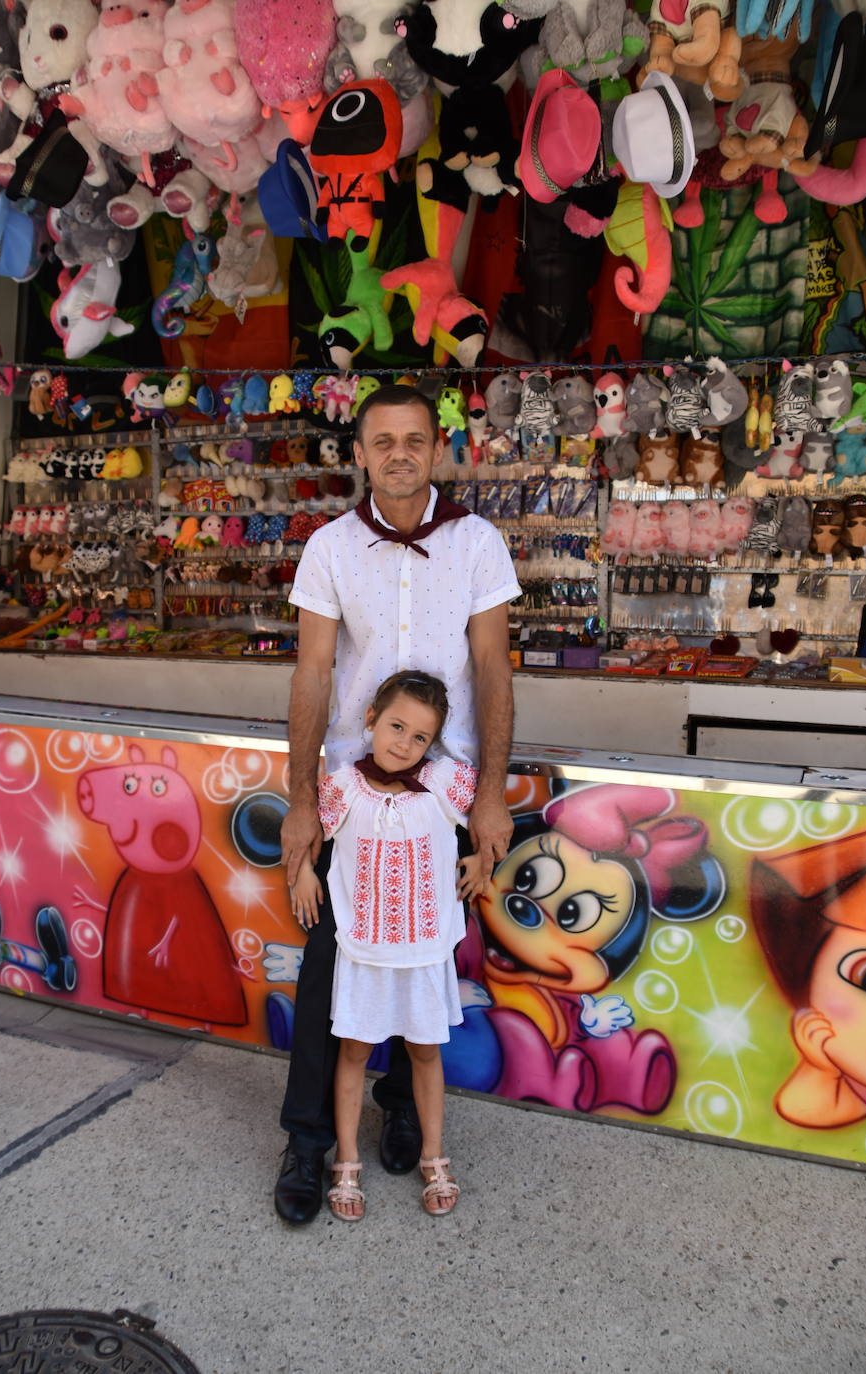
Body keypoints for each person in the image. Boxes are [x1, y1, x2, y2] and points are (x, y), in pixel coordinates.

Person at [274, 383, 520, 1226]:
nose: (400, 453)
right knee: (328, 967)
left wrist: (488, 795)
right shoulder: (330, 548)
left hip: (443, 798)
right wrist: (302, 800)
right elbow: (311, 673)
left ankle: (407, 1107)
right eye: (383, 441)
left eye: (415, 439)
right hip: (352, 792)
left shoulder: (479, 543)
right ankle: (308, 1141)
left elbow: (491, 669)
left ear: (438, 450)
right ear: (360, 454)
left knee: (426, 952)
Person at [291, 670, 482, 1221]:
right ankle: (346, 1160)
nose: (404, 743)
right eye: (396, 726)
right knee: (352, 1052)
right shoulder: (343, 787)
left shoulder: (448, 784)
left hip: (423, 952)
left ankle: (432, 1155)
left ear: (433, 743)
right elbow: (309, 833)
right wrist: (303, 871)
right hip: (362, 952)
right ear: (371, 719)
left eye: (419, 736)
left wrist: (482, 857)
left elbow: (486, 824)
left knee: (425, 1052)